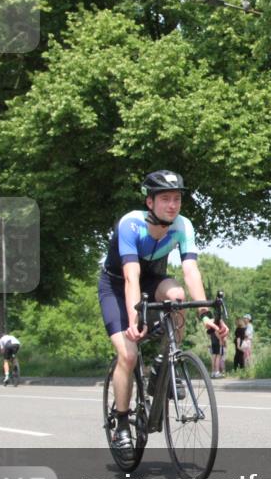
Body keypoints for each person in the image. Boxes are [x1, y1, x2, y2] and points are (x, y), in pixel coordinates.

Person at [97, 170, 228, 461]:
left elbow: (190, 271)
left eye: (177, 199)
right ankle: (120, 424)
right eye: (166, 199)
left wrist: (204, 314)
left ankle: (163, 363)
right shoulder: (131, 225)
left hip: (153, 281)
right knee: (128, 356)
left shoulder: (183, 226)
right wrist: (135, 321)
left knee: (178, 298)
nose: (173, 205)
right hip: (118, 287)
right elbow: (131, 277)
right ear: (150, 202)